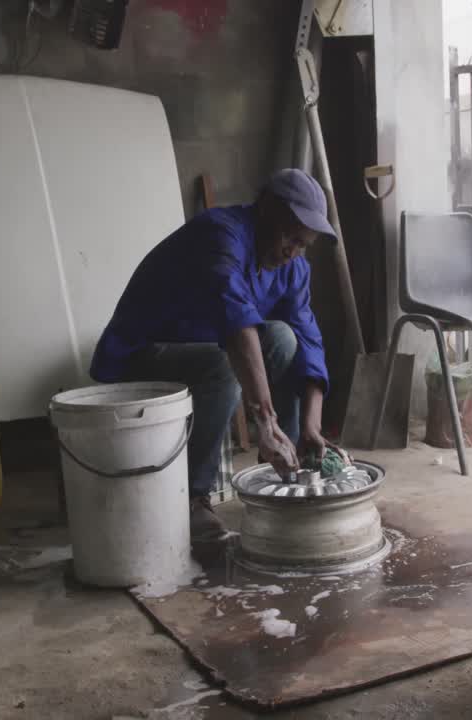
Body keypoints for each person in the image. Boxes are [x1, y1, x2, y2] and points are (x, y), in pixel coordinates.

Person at [90, 168, 342, 540]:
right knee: (222, 364)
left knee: (285, 339)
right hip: (139, 355)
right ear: (267, 210)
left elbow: (309, 342)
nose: (293, 251)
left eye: (303, 244)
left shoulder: (292, 268)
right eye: (289, 235)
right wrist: (264, 420)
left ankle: (290, 469)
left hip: (204, 351)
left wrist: (311, 425)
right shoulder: (220, 233)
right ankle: (192, 499)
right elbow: (236, 320)